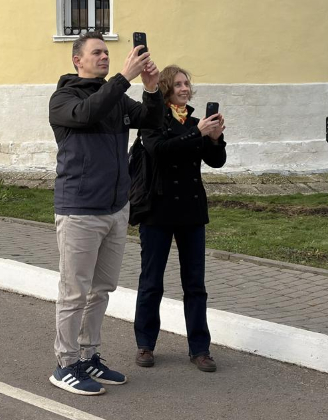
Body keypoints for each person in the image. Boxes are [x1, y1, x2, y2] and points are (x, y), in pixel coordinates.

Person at [48, 31, 163, 395]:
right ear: (77, 60)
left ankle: (88, 357)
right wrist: (123, 80)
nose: (105, 57)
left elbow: (150, 120)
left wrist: (151, 89)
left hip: (115, 209)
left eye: (107, 53)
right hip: (80, 210)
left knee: (101, 291)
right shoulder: (63, 98)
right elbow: (87, 114)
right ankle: (64, 364)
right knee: (74, 293)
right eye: (96, 52)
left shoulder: (116, 97)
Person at [133, 65, 226, 372]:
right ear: (166, 90)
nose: (186, 89)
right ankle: (145, 344)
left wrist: (214, 138)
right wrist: (196, 133)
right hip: (158, 211)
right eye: (178, 85)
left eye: (187, 84)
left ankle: (200, 349)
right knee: (151, 282)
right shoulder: (153, 120)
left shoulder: (196, 123)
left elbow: (216, 161)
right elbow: (161, 150)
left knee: (195, 284)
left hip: (191, 211)